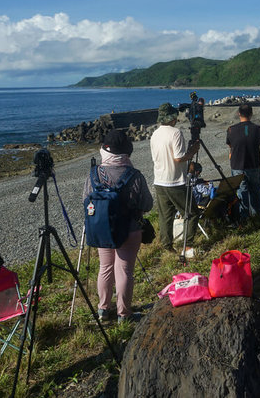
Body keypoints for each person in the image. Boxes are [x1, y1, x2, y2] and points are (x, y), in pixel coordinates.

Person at [82, 129, 153, 323]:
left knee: (105, 267)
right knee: (124, 270)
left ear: (105, 150)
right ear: (126, 152)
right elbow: (147, 204)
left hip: (103, 228)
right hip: (130, 229)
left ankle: (103, 310)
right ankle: (124, 314)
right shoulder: (135, 175)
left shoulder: (94, 174)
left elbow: (86, 200)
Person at [150, 103, 200, 252]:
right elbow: (178, 158)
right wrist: (192, 151)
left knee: (166, 216)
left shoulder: (155, 134)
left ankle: (167, 246)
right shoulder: (175, 133)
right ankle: (188, 245)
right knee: (191, 213)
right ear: (172, 118)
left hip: (159, 180)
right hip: (175, 181)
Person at [226, 103, 260, 218]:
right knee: (255, 191)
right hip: (253, 163)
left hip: (238, 165)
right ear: (251, 114)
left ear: (238, 114)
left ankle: (244, 217)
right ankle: (257, 215)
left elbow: (230, 145)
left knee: (242, 192)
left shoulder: (231, 129)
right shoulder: (258, 129)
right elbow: (258, 142)